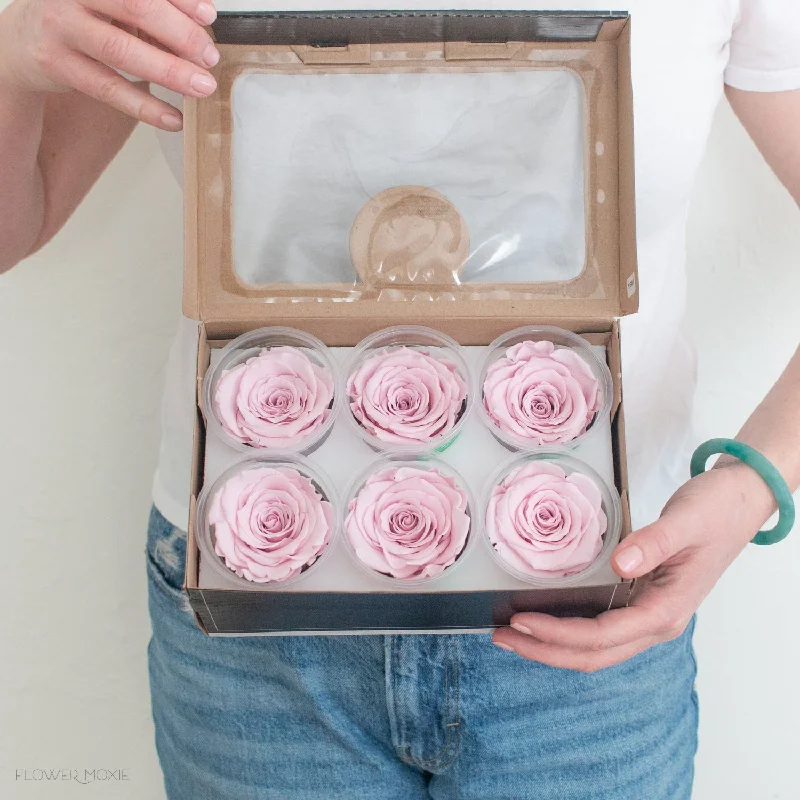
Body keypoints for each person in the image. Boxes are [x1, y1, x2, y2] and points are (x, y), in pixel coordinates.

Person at [1, 0, 798, 797]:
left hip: (596, 603)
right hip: (249, 590)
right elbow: (18, 219)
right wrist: (8, 54)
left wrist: (752, 482)